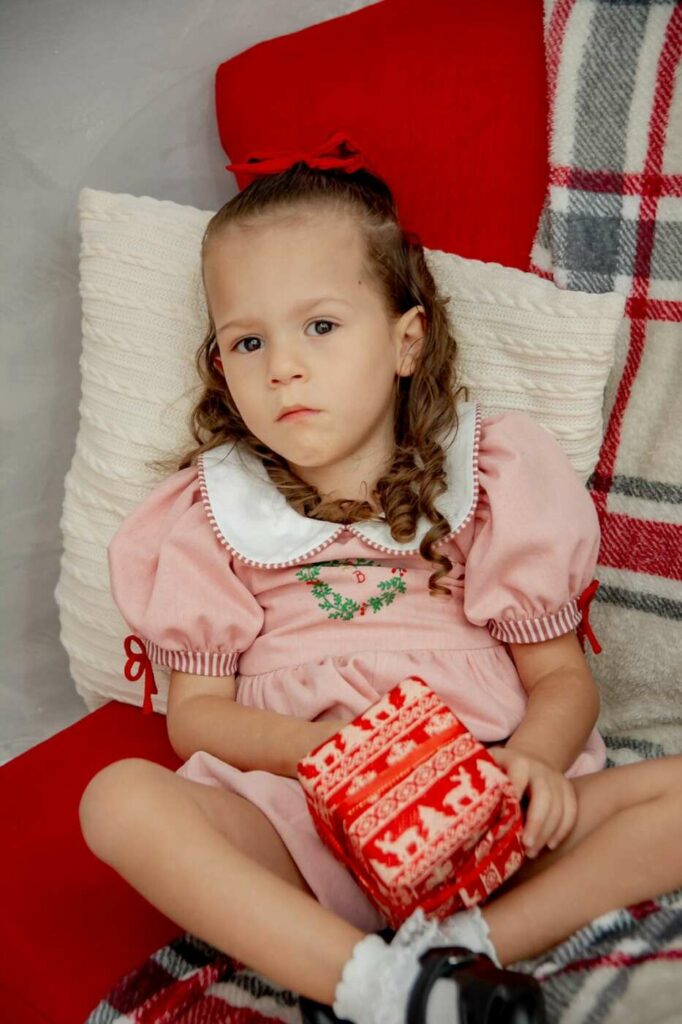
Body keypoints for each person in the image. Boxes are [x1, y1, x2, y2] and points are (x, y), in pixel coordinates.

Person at [78, 133, 682, 1024]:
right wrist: (324, 755)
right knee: (117, 801)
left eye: (321, 326)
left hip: (484, 800)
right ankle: (377, 985)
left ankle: (467, 953)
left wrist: (531, 764)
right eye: (248, 340)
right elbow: (195, 717)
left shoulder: (489, 476)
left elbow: (561, 678)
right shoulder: (209, 515)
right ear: (219, 365)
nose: (283, 365)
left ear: (407, 341)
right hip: (304, 820)